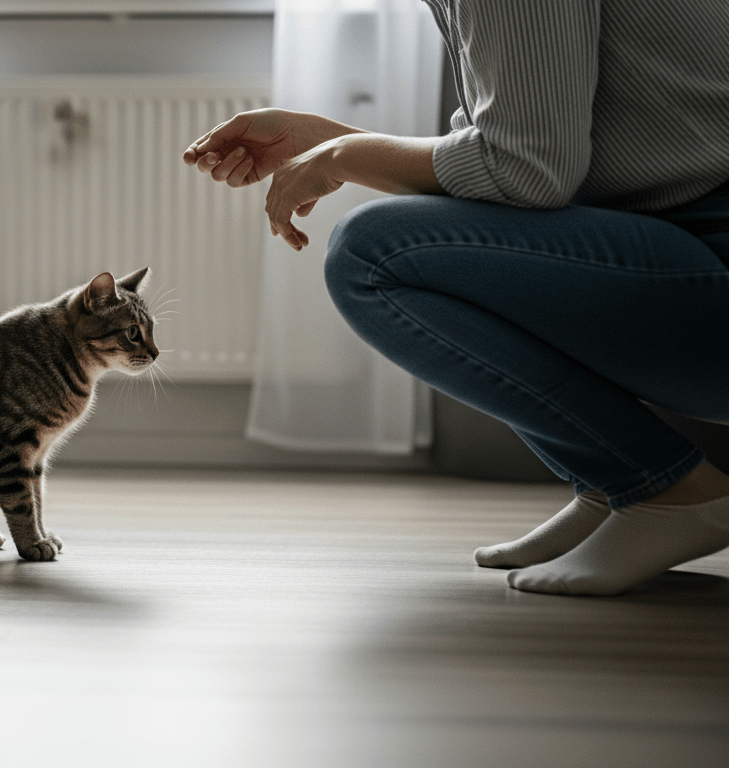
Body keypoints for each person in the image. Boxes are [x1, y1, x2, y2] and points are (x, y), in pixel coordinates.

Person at [183, 0, 729, 596]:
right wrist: (327, 141)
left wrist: (343, 157)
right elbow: (512, 163)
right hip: (693, 251)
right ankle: (612, 481)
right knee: (419, 241)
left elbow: (525, 174)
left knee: (371, 255)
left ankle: (661, 488)